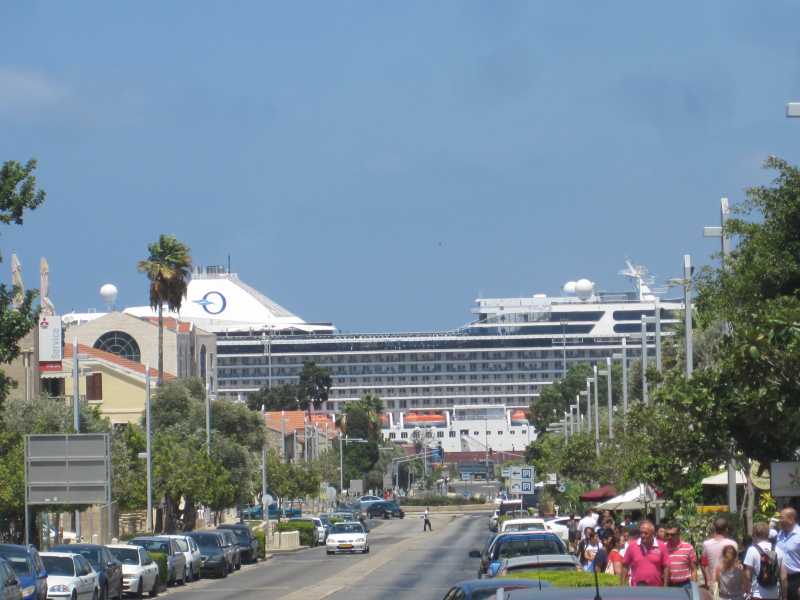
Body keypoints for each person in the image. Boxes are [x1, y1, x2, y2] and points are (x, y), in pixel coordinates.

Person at [743, 521, 787, 600]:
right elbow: (783, 577)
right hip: (774, 594)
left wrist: (747, 591)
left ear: (754, 534)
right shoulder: (779, 550)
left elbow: (747, 574)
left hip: (757, 594)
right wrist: (785, 596)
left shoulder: (752, 550)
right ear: (768, 534)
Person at [621, 520, 669, 587]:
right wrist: (622, 586)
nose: (643, 535)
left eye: (646, 533)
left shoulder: (661, 546)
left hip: (656, 588)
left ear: (653, 534)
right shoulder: (632, 546)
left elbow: (666, 567)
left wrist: (665, 586)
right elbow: (625, 566)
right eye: (641, 533)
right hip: (636, 588)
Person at [702, 517, 739, 589]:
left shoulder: (706, 544)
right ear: (726, 529)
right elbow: (735, 563)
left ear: (714, 529)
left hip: (714, 584)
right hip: (730, 583)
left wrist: (708, 580)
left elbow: (704, 564)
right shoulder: (733, 544)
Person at [777, 508, 800, 600]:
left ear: (791, 519)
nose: (779, 520)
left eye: (782, 518)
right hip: (780, 579)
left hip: (796, 579)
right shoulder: (779, 534)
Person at [665, 523, 697, 589]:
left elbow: (693, 570)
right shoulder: (663, 547)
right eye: (667, 534)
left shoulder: (688, 547)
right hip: (669, 585)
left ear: (679, 534)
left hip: (685, 585)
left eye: (672, 535)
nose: (669, 537)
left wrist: (694, 589)